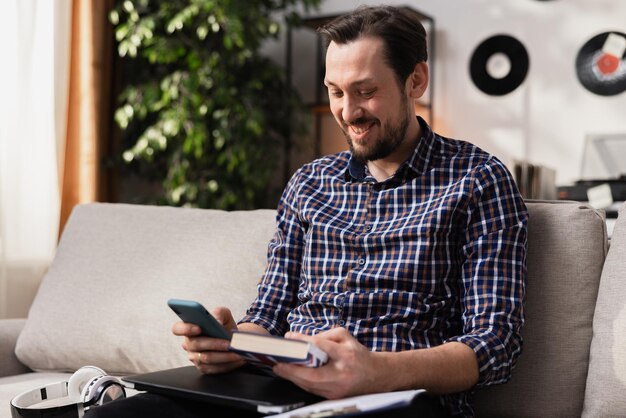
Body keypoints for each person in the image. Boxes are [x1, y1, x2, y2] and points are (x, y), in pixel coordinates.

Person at [87, 5, 527, 418]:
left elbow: (494, 344)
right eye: (335, 92)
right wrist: (231, 343)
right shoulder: (309, 183)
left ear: (415, 81)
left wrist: (376, 370)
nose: (348, 112)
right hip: (276, 386)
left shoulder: (477, 180)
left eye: (366, 92)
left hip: (395, 399)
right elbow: (268, 313)